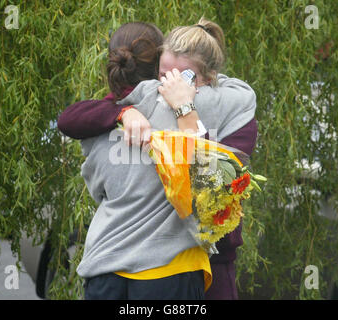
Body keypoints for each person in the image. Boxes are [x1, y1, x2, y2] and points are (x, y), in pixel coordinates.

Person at [58, 19, 257, 300]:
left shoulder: (106, 117)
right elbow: (70, 119)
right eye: (164, 76)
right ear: (154, 72)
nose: (171, 86)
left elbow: (217, 186)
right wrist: (128, 113)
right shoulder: (140, 103)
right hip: (170, 267)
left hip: (113, 260)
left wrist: (183, 109)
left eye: (184, 78)